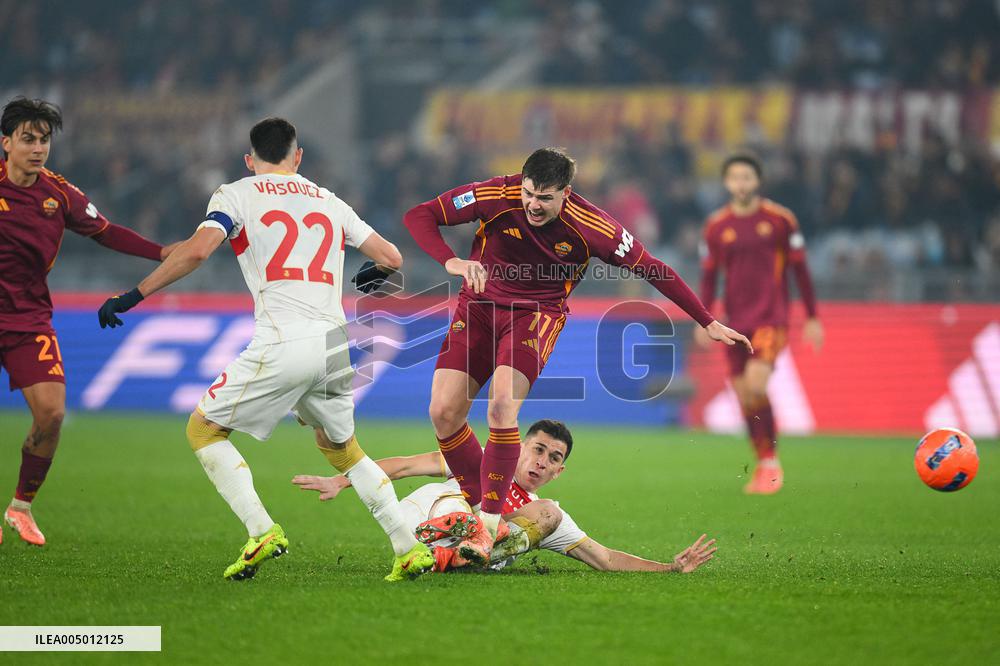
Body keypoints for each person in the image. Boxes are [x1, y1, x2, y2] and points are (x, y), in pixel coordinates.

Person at [96, 117, 434, 582]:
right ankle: (407, 547)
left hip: (283, 338)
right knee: (344, 451)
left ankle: (260, 530)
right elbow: (392, 259)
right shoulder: (328, 200)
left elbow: (197, 252)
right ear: (298, 157)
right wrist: (368, 278)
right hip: (335, 343)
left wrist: (134, 294)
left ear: (250, 160)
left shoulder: (235, 194)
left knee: (204, 431)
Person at [402, 147, 749, 563]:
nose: (532, 204)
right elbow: (419, 216)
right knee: (443, 412)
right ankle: (481, 516)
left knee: (501, 409)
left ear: (566, 192)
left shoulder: (595, 227)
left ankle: (488, 528)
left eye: (544, 198)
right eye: (529, 193)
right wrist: (452, 260)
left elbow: (654, 268)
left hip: (534, 317)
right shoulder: (497, 193)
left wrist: (707, 321)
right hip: (477, 308)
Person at [0, 97, 175, 547]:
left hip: (29, 319)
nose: (38, 149)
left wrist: (159, 252)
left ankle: (21, 508)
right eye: (28, 139)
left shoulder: (59, 194)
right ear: (6, 143)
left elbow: (107, 231)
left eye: (44, 141)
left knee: (53, 413)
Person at [293, 419, 717, 574]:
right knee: (459, 503)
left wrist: (669, 568)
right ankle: (454, 536)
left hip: (456, 557)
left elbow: (603, 558)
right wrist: (344, 480)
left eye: (553, 458)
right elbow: (402, 466)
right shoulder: (480, 461)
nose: (542, 462)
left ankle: (462, 551)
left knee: (547, 514)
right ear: (520, 447)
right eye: (537, 450)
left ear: (559, 470)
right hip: (420, 520)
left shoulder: (543, 510)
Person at [696, 153, 823, 494]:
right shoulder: (716, 227)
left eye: (747, 177)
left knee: (755, 386)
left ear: (758, 181)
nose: (741, 184)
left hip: (771, 317)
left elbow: (800, 270)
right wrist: (703, 317)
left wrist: (811, 315)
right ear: (726, 183)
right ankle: (764, 460)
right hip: (734, 322)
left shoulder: (781, 220)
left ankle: (771, 462)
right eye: (735, 178)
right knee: (744, 397)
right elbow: (708, 278)